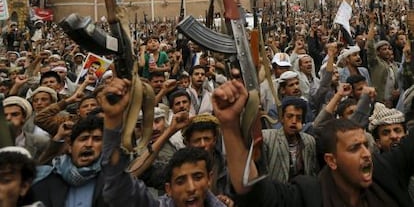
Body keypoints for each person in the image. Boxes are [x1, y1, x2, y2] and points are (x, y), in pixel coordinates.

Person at [212, 79, 414, 207]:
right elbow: (251, 189)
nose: (365, 153)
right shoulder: (310, 195)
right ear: (331, 160)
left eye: (364, 144)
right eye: (354, 148)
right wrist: (229, 126)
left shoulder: (386, 172)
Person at [99, 77, 227, 207]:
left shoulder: (225, 166)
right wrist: (113, 120)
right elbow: (118, 186)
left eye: (198, 177)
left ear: (209, 179)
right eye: (180, 181)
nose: (191, 188)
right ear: (168, 189)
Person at [32, 115, 106, 206]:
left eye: (96, 139)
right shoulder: (46, 178)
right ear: (70, 147)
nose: (89, 144)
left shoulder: (114, 180)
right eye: (83, 139)